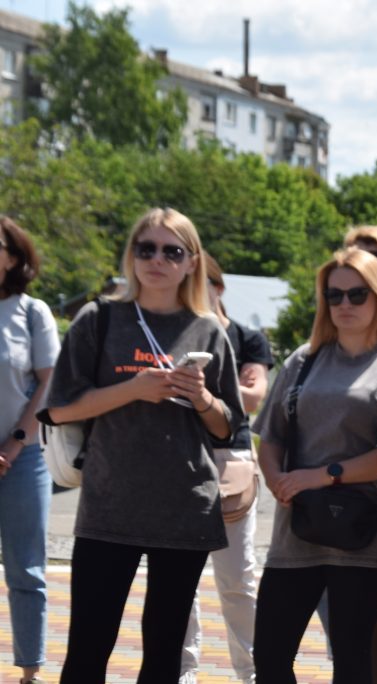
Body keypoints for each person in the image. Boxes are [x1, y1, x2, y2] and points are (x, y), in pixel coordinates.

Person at [40, 207, 244, 682]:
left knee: (165, 654)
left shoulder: (208, 329)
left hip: (185, 507)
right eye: (145, 248)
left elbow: (227, 427)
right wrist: (134, 388)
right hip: (109, 506)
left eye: (172, 251)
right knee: (87, 650)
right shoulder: (99, 318)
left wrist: (202, 398)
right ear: (131, 255)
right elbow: (60, 409)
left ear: (192, 262)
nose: (157, 260)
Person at [250, 247, 377, 684]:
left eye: (357, 294)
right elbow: (271, 435)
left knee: (353, 662)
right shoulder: (304, 358)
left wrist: (321, 476)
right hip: (296, 530)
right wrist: (276, 478)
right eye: (334, 295)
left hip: (364, 534)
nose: (344, 304)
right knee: (270, 656)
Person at [179, 252, 273, 684]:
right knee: (179, 579)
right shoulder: (175, 332)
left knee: (237, 577)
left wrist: (196, 384)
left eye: (202, 284)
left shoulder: (248, 338)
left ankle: (252, 672)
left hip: (231, 462)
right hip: (177, 460)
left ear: (219, 287)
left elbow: (253, 398)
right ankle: (183, 669)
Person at [0, 217, 60, 684]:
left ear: (13, 258)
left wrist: (15, 443)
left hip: (22, 459)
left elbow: (49, 383)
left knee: (26, 568)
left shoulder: (32, 312)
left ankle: (29, 672)